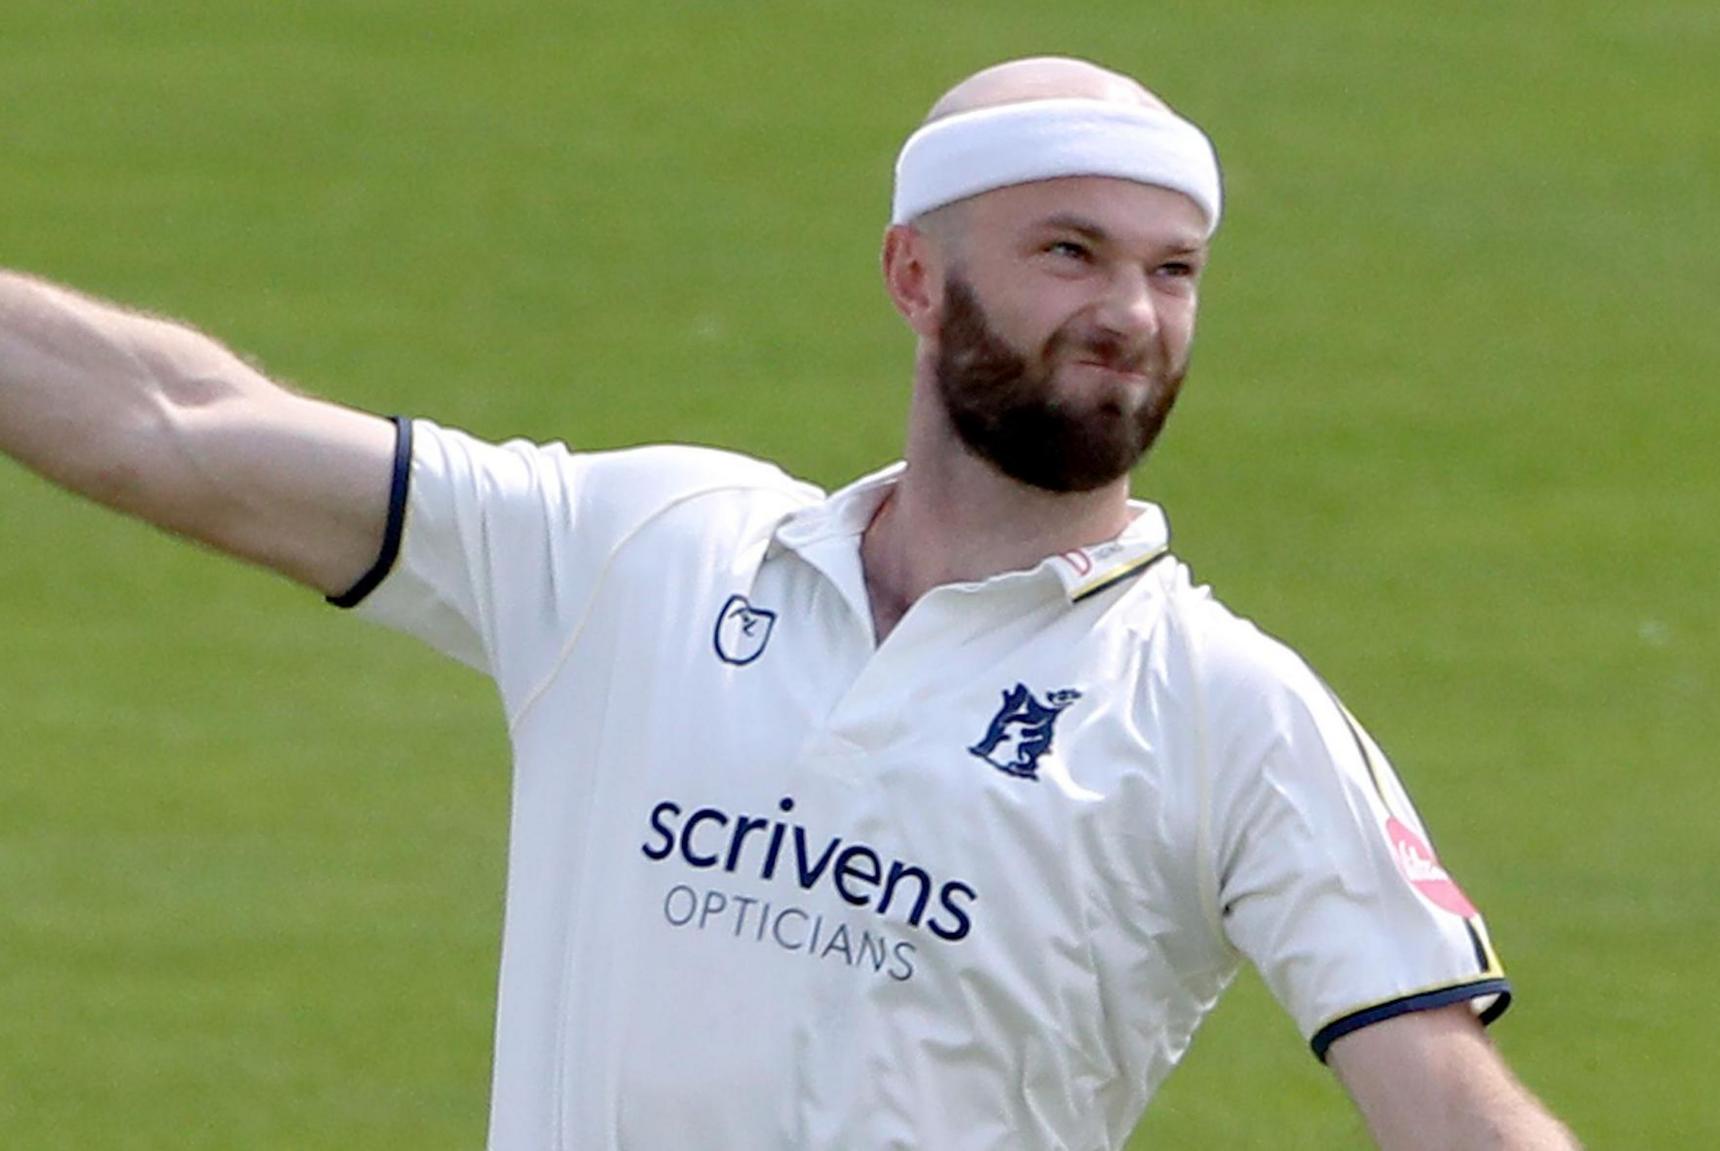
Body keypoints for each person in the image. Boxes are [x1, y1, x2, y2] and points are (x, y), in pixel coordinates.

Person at [0, 55, 1577, 1151]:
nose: (1127, 315)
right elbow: (173, 426)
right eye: (1070, 251)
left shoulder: (1233, 717)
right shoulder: (646, 549)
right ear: (914, 276)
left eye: (1174, 271)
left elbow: (1446, 1104)